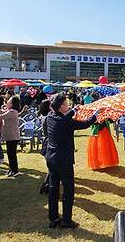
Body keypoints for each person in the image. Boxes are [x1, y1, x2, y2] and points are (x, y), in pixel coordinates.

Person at [45, 93, 99, 228]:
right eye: (66, 103)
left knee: (53, 189)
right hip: (63, 160)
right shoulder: (65, 121)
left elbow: (66, 116)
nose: (68, 105)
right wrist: (96, 115)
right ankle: (66, 220)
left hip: (51, 158)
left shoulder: (50, 117)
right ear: (61, 106)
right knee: (68, 190)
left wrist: (74, 110)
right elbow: (85, 124)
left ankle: (53, 219)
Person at [0, 96, 22, 177]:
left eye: (9, 101)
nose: (7, 102)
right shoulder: (10, 111)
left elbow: (1, 116)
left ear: (12, 104)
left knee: (12, 154)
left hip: (13, 137)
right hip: (10, 137)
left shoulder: (12, 112)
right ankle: (11, 169)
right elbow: (2, 112)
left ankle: (14, 170)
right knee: (10, 154)